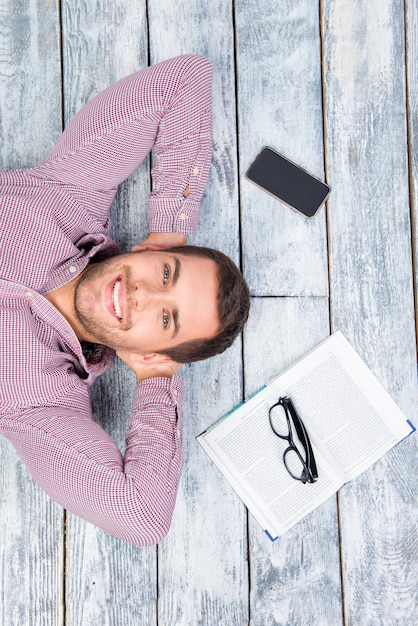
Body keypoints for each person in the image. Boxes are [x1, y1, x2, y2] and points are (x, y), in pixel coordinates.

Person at [0, 54, 250, 545]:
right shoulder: (67, 196)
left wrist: (157, 381)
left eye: (165, 318)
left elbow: (143, 518)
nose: (143, 293)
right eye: (164, 273)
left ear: (149, 351)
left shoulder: (41, 405)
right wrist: (169, 231)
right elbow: (184, 80)